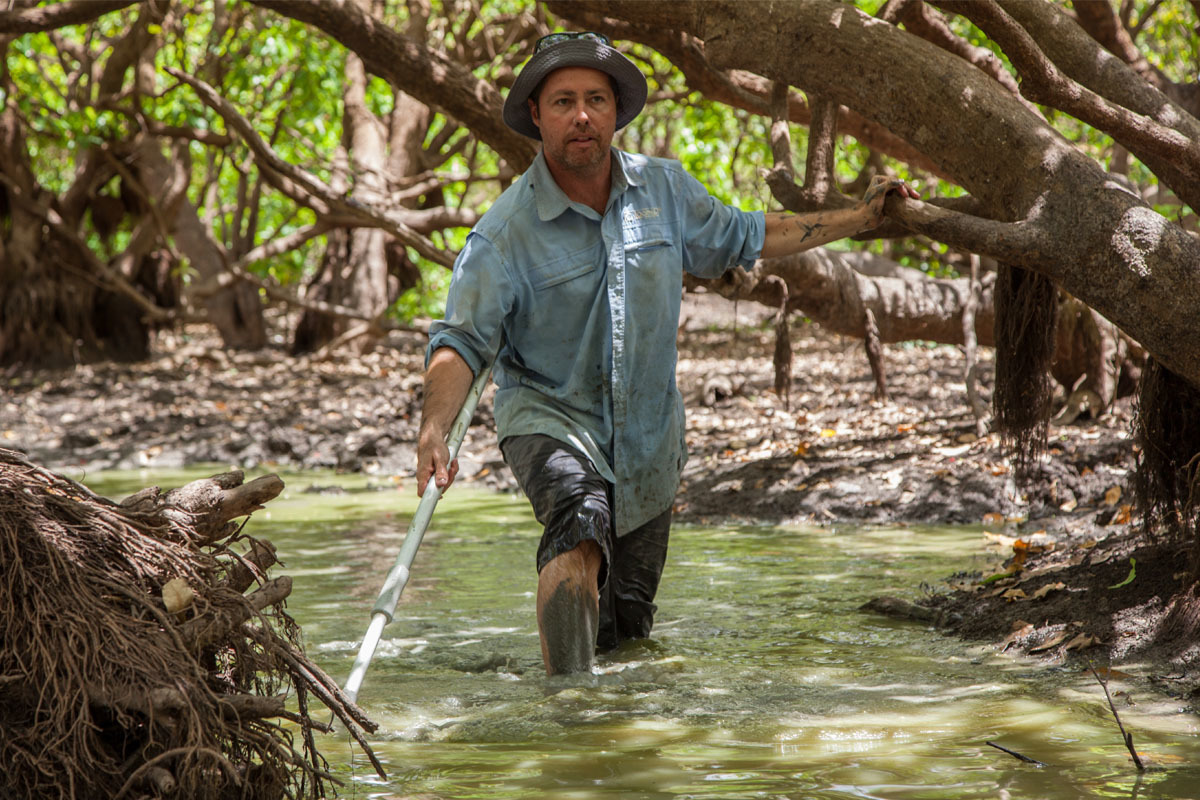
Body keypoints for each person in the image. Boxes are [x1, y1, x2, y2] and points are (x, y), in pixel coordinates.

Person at [415, 31, 918, 676]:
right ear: (536, 114)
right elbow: (460, 341)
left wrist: (863, 217)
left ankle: (597, 721)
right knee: (579, 519)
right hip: (550, 419)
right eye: (563, 101)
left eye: (596, 99)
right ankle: (567, 710)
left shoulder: (664, 192)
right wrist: (435, 427)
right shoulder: (504, 234)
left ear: (616, 111)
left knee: (625, 629)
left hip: (649, 440)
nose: (581, 115)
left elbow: (749, 233)